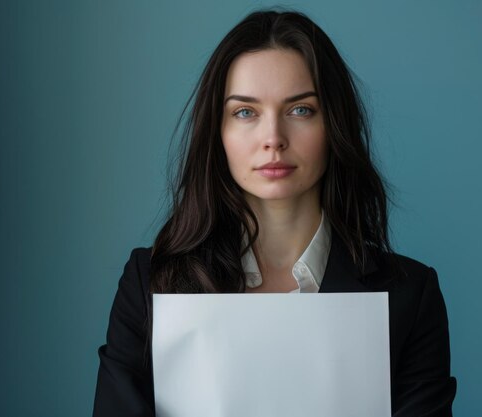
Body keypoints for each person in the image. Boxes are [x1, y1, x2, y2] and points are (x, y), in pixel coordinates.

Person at [93, 8, 456, 417]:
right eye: (245, 112)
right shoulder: (149, 285)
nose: (273, 139)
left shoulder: (409, 295)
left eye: (300, 109)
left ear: (334, 125)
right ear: (219, 133)